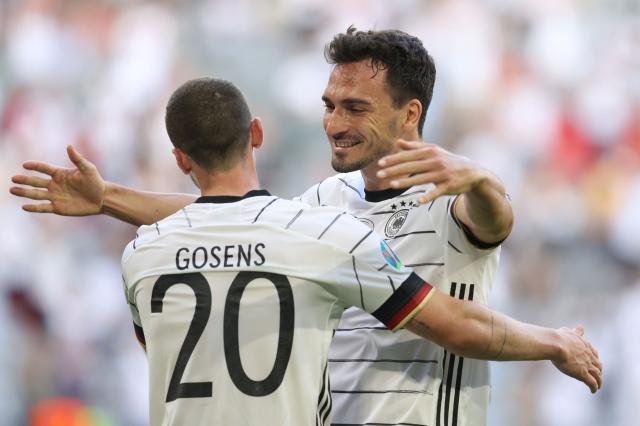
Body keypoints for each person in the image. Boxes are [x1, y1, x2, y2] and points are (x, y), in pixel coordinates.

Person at [8, 29, 595, 425]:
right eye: (329, 104)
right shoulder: (324, 203)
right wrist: (107, 198)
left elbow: (495, 221)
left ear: (409, 114)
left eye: (355, 108)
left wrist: (481, 179)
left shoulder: (455, 197)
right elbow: (231, 217)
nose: (333, 123)